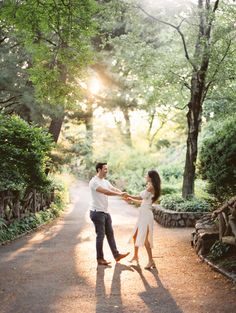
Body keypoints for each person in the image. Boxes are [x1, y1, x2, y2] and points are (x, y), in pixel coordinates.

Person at [89, 162, 130, 266]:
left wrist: (123, 194)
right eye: (105, 169)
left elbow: (113, 189)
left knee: (110, 234)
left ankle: (116, 255)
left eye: (107, 169)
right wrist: (120, 194)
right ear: (99, 169)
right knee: (101, 235)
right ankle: (100, 259)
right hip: (97, 213)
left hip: (105, 212)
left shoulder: (105, 181)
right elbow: (106, 192)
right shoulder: (94, 182)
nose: (107, 171)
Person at [124, 170, 161, 269]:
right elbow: (143, 201)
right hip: (143, 214)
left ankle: (151, 261)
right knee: (135, 235)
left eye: (147, 175)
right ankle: (136, 256)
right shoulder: (150, 186)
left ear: (151, 177)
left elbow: (140, 196)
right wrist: (131, 199)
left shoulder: (151, 187)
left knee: (145, 240)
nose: (145, 176)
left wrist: (129, 195)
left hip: (146, 215)